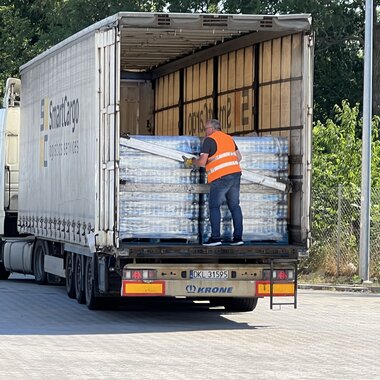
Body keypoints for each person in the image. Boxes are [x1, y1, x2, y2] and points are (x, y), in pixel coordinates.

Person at [192, 119, 244, 246]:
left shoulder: (209, 140)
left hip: (221, 177)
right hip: (235, 174)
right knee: (234, 206)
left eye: (206, 129)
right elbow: (239, 157)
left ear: (211, 128)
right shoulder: (229, 138)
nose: (205, 132)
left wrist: (193, 162)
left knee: (214, 206)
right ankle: (238, 238)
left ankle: (215, 238)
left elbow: (203, 162)